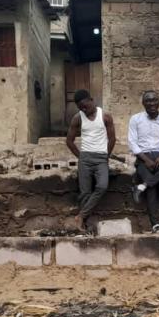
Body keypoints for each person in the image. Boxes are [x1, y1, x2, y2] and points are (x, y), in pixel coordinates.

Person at [128, 90, 159, 232]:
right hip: (143, 158)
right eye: (148, 101)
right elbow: (132, 143)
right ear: (143, 103)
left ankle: (141, 187)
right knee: (153, 187)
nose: (151, 103)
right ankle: (155, 225)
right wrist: (145, 159)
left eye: (154, 100)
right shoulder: (135, 119)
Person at [66, 89, 116, 231]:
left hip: (101, 157)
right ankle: (83, 224)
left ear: (91, 100)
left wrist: (106, 156)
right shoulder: (78, 118)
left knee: (102, 186)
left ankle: (80, 215)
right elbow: (69, 141)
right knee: (85, 193)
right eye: (80, 107)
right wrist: (80, 157)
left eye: (85, 105)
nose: (83, 109)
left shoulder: (105, 116)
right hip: (85, 158)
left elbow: (112, 138)